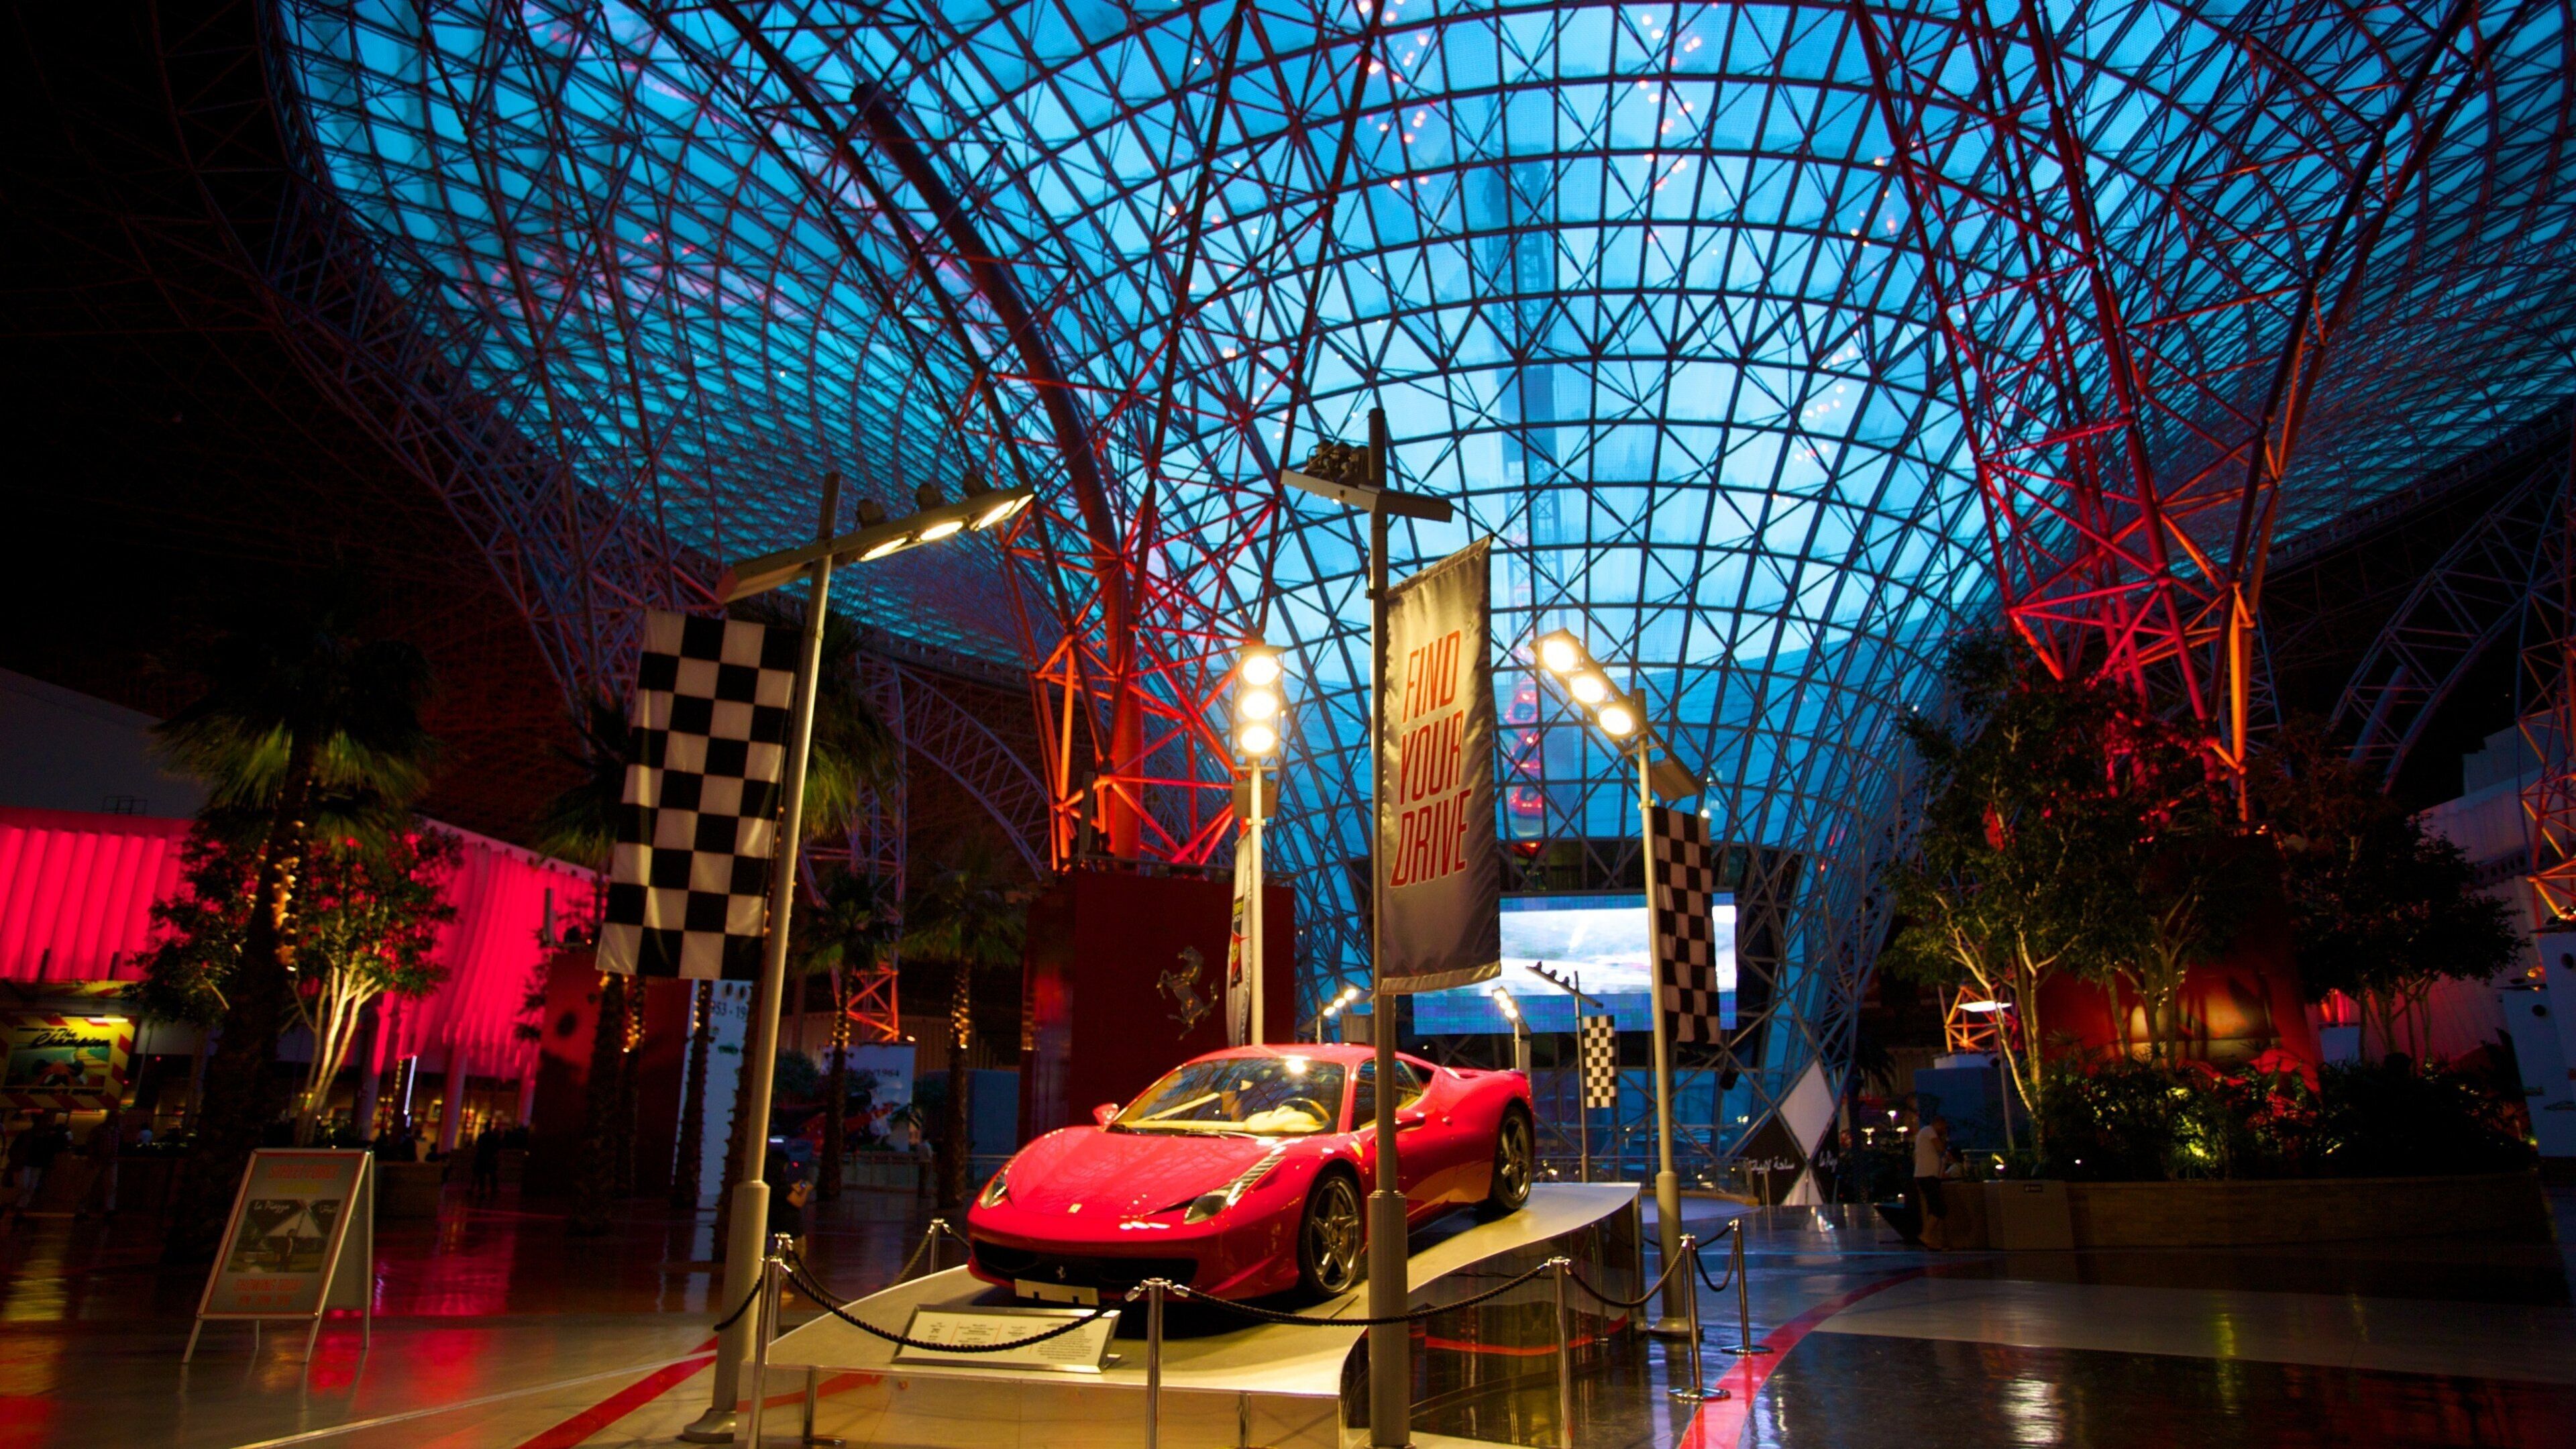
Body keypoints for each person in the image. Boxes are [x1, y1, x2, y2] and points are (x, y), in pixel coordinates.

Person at [1908, 1112, 1952, 1249]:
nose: (1944, 1131)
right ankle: (1926, 1235)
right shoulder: (1929, 1131)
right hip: (1926, 1176)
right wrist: (1944, 1138)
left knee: (1934, 1207)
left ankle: (1931, 1238)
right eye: (1943, 1127)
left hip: (1928, 1175)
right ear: (1938, 1124)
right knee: (1939, 1208)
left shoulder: (1925, 1133)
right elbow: (1940, 1148)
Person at [472, 1125, 504, 1201]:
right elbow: (498, 1148)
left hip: (481, 1157)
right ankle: (493, 1189)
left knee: (481, 1175)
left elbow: (478, 1146)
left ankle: (481, 1190)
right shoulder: (494, 1138)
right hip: (491, 1158)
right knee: (492, 1174)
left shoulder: (482, 1136)